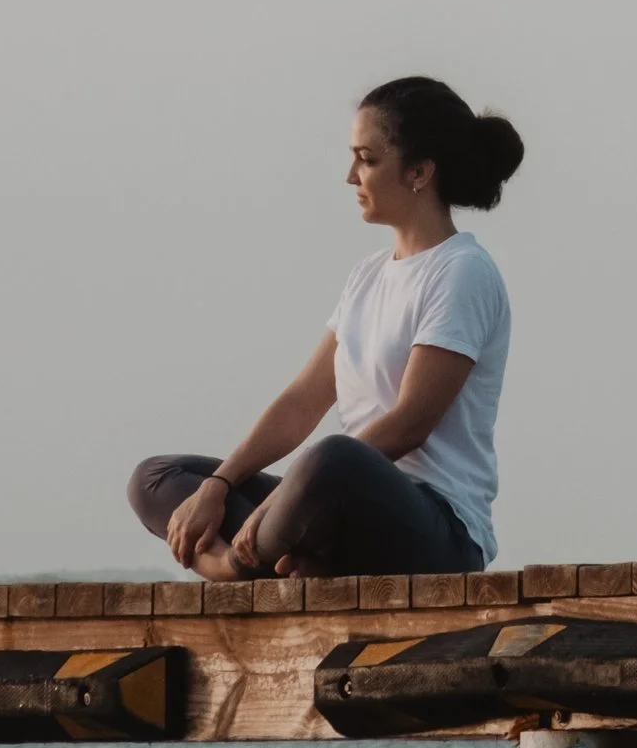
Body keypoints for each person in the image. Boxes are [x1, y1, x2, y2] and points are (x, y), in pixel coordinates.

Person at [128, 77, 523, 580]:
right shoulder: (367, 276)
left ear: (420, 171)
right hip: (334, 506)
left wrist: (285, 501)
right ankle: (286, 557)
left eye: (368, 159)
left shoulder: (463, 271)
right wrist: (221, 485)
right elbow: (301, 404)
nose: (351, 176)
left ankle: (236, 566)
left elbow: (409, 424)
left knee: (336, 457)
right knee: (157, 477)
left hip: (436, 530)